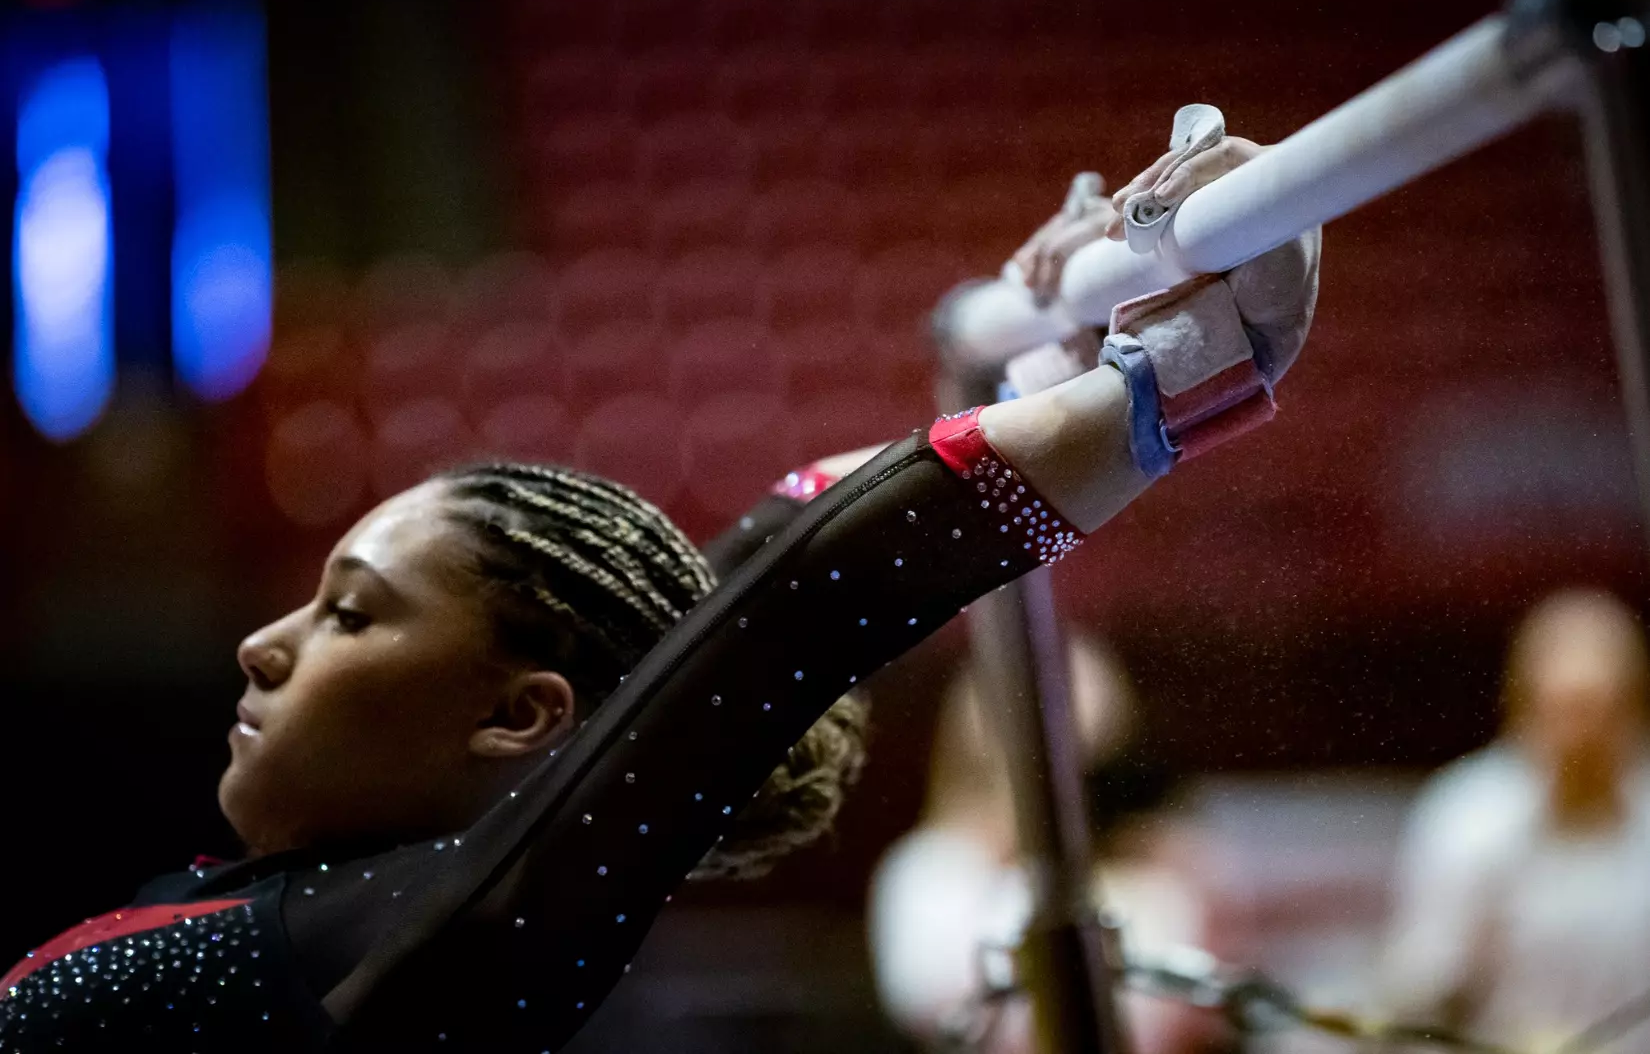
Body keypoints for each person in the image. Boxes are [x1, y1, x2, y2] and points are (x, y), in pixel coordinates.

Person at [0, 126, 1319, 1053]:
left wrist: (1170, 384)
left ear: (521, 716)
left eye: (349, 612)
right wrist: (1043, 378)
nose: (259, 645)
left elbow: (781, 600)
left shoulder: (428, 947)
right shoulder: (278, 910)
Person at [869, 634, 1213, 1054]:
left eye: (1089, 769)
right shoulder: (933, 868)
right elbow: (937, 1009)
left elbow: (1177, 1016)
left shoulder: (1153, 874)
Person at [1380, 588, 1650, 1051]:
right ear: (1525, 703)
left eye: (1602, 709)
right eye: (1568, 710)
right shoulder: (1466, 817)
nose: (1583, 739)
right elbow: (1422, 991)